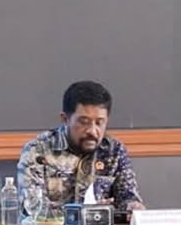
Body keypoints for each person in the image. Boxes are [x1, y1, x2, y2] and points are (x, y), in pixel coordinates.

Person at [17, 80, 145, 217]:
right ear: (65, 119)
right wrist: (86, 211)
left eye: (99, 123)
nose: (92, 131)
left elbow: (128, 197)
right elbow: (31, 209)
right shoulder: (37, 151)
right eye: (84, 122)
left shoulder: (114, 151)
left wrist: (132, 207)